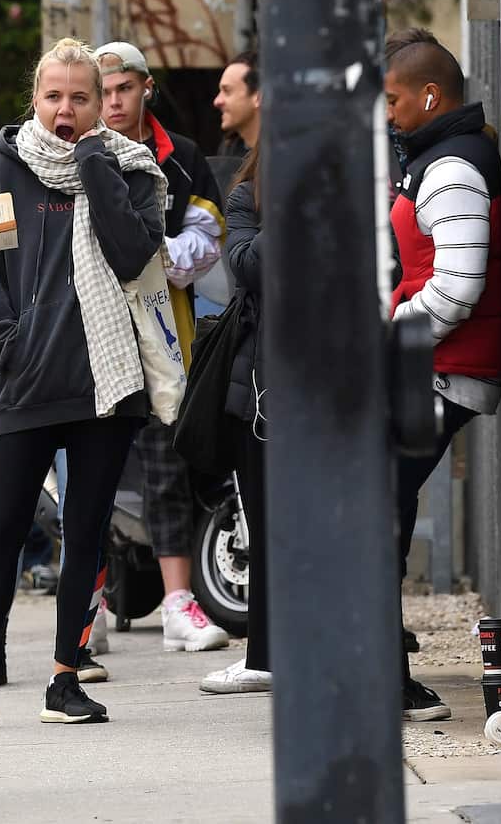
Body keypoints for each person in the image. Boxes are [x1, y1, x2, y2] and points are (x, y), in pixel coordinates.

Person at [0, 37, 165, 732]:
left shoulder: (132, 170)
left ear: (102, 104)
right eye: (55, 95)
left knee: (86, 532)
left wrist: (94, 164)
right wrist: (2, 349)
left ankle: (67, 677)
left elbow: (135, 256)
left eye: (83, 96)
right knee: (1, 532)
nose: (67, 108)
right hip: (21, 384)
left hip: (106, 385)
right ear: (35, 99)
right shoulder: (0, 168)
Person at [385, 28, 501, 721]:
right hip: (430, 365)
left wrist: (388, 339)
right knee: (383, 514)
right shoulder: (441, 154)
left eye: (396, 100)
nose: (390, 114)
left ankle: (389, 682)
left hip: (439, 370)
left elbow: (456, 290)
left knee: (378, 515)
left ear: (432, 96)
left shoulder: (453, 165)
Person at [95, 40, 230, 653]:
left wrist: (146, 255)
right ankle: (86, 604)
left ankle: (179, 601)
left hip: (162, 341)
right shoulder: (73, 152)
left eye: (123, 88)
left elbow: (206, 243)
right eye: (103, 90)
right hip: (88, 340)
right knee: (83, 472)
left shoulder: (182, 158)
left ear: (146, 87)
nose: (112, 101)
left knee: (165, 467)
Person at [198, 144, 273, 695]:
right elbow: (247, 266)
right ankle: (265, 656)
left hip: (337, 381)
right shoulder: (250, 196)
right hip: (263, 391)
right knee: (267, 525)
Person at [214, 50, 260, 158]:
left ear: (258, 97)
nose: (217, 101)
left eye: (227, 91)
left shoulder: (287, 157)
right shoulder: (229, 149)